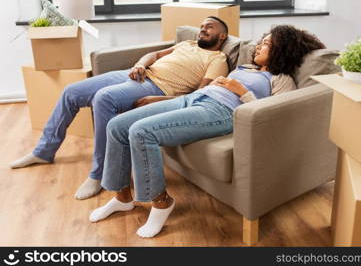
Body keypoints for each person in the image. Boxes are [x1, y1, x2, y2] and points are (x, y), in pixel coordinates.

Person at [89, 25, 326, 238]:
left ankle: (161, 202)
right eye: (262, 41)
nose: (259, 47)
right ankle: (122, 197)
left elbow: (276, 114)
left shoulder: (280, 78)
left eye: (267, 44)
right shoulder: (245, 67)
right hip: (195, 99)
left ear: (283, 50)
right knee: (117, 125)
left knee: (142, 132)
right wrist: (167, 99)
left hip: (220, 112)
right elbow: (203, 91)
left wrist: (241, 90)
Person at [10, 17, 230, 200]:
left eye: (209, 27)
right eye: (201, 26)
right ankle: (44, 151)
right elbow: (154, 55)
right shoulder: (186, 45)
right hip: (137, 74)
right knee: (71, 92)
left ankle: (99, 174)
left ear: (221, 36)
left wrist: (160, 100)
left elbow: (199, 96)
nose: (202, 29)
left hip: (157, 87)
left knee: (104, 98)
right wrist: (140, 64)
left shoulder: (218, 59)